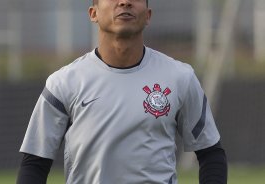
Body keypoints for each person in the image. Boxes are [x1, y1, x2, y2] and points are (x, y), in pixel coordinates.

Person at [17, 0, 227, 183]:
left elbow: (210, 154)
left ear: (148, 15)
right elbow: (35, 164)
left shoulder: (180, 77)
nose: (125, 2)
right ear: (93, 13)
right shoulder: (63, 83)